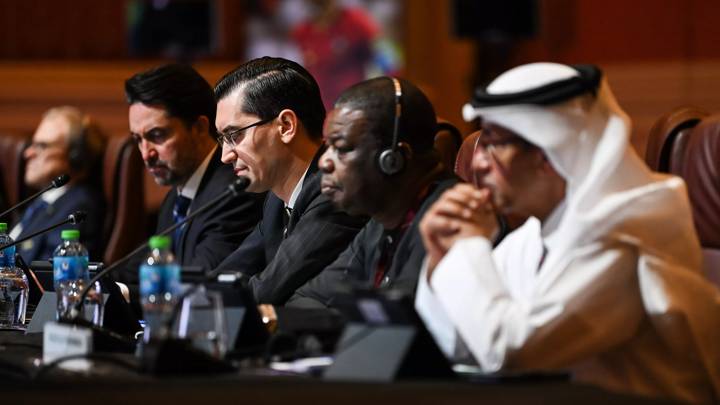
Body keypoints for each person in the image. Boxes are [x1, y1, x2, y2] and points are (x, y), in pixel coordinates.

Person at [415, 63, 720, 403]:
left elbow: (511, 349)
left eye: (494, 144)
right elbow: (457, 343)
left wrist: (469, 247)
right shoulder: (532, 237)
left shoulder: (622, 237)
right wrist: (442, 257)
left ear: (548, 153)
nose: (477, 164)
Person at [287, 77, 457, 308]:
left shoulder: (451, 220)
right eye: (328, 148)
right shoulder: (380, 222)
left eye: (342, 149)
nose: (324, 162)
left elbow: (400, 327)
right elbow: (304, 300)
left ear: (393, 159)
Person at [214, 56, 367, 305]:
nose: (225, 156)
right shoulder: (276, 199)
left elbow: (267, 291)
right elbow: (227, 275)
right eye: (222, 139)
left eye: (234, 135)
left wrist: (198, 301)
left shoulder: (336, 192)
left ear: (286, 125)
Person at [126, 64, 263, 272]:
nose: (146, 154)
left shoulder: (233, 193)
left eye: (157, 135)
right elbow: (144, 269)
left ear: (199, 127)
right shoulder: (175, 198)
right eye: (138, 139)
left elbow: (197, 282)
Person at [11, 106, 106, 263]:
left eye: (42, 146)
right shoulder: (41, 201)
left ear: (75, 155)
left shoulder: (78, 206)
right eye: (32, 144)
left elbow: (48, 272)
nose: (28, 153)